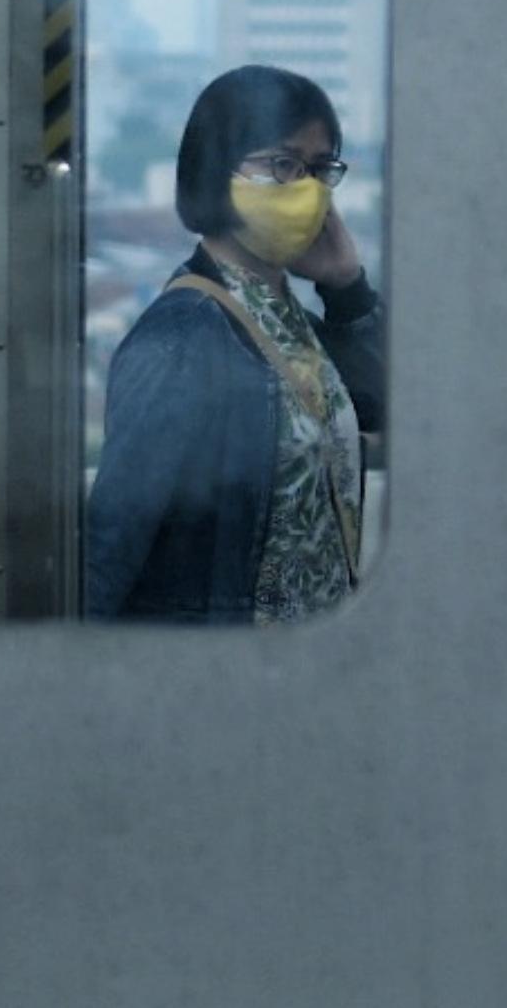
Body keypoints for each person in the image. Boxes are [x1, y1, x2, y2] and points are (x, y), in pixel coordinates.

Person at [82, 65, 384, 624]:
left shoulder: (290, 325)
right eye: (282, 164)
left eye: (321, 169)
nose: (307, 188)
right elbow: (110, 547)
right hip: (230, 676)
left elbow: (387, 407)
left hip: (314, 670)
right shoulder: (183, 336)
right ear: (214, 169)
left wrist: (347, 289)